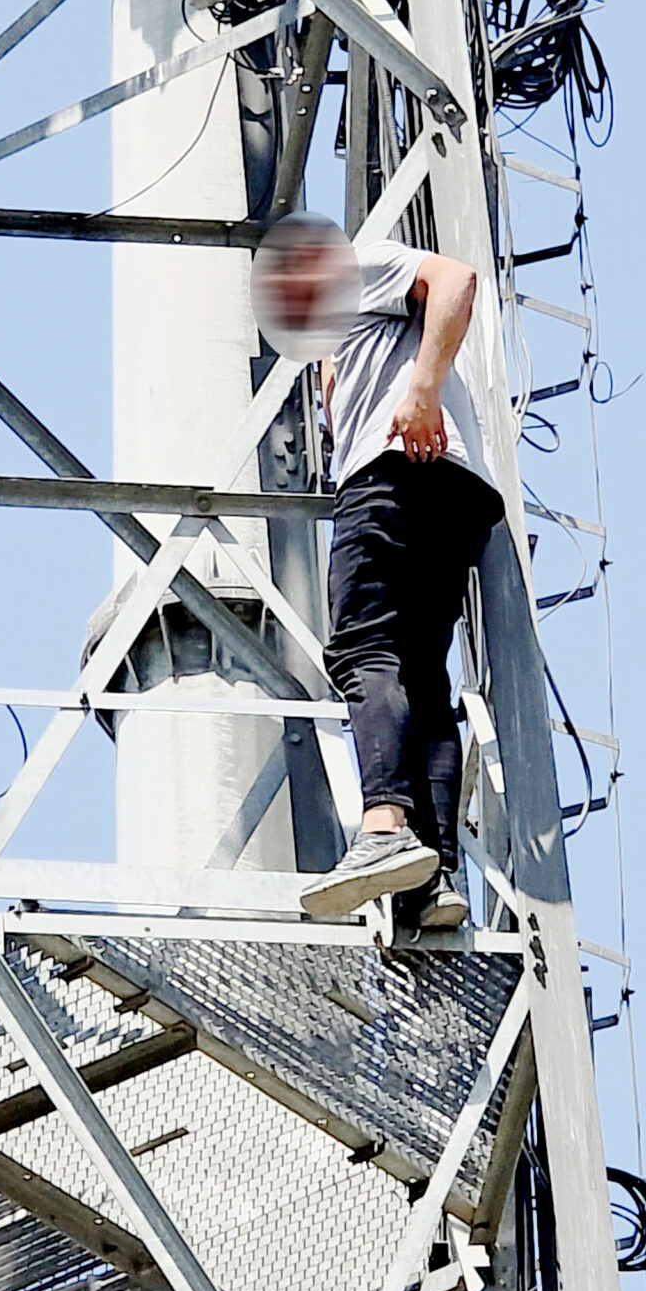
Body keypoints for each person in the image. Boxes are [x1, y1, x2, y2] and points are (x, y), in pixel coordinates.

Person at [252, 214, 499, 926]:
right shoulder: (344, 335)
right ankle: (434, 877)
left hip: (394, 475)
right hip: (448, 491)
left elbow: (455, 280)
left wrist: (421, 391)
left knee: (365, 650)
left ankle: (386, 826)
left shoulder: (356, 266)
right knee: (420, 676)